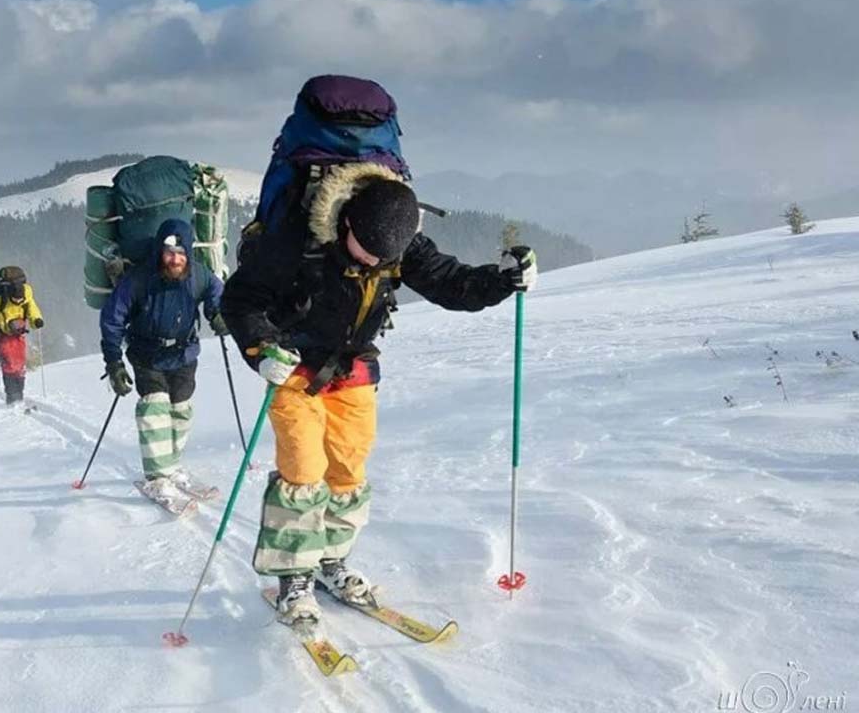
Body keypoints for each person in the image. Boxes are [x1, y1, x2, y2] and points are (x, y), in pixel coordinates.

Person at [222, 156, 537, 625]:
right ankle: (294, 580)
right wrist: (261, 349)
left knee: (348, 471)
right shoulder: (295, 238)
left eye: (383, 259)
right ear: (346, 220)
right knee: (304, 470)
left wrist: (503, 282)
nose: (373, 262)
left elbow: (452, 284)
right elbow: (240, 299)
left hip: (353, 368)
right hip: (294, 367)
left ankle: (330, 561)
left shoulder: (398, 241)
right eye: (366, 252)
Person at [100, 218, 227, 500]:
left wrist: (217, 313)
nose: (175, 259)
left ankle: (171, 465)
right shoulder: (139, 279)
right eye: (169, 253)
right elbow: (112, 318)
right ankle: (158, 476)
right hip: (147, 354)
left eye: (181, 253)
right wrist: (114, 361)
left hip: (184, 353)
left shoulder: (199, 275)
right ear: (160, 251)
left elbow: (215, 290)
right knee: (154, 410)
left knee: (181, 411)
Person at [0, 266, 44, 405]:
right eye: (16, 300)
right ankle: (12, 395)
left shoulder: (27, 297)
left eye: (20, 300)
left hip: (19, 334)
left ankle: (18, 394)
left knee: (20, 364)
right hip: (3, 335)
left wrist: (37, 320)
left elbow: (32, 310)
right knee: (9, 364)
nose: (18, 302)